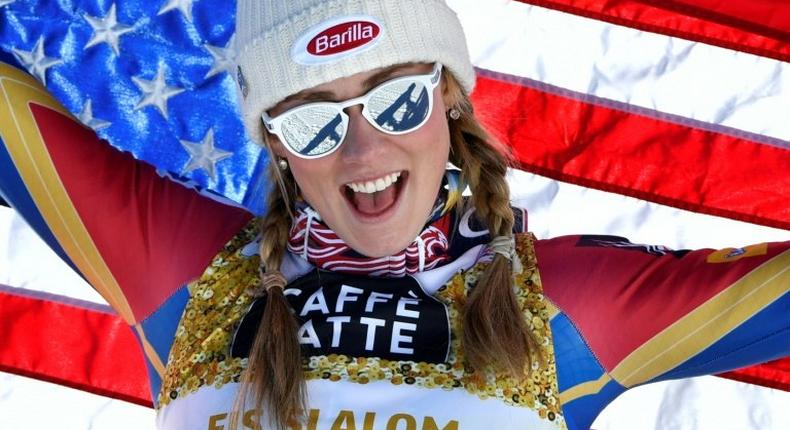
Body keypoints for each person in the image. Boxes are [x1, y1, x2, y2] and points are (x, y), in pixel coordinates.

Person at [0, 1, 787, 429]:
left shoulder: (570, 308)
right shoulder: (183, 268)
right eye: (314, 120)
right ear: (273, 138)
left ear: (449, 93)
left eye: (399, 99)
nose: (363, 152)